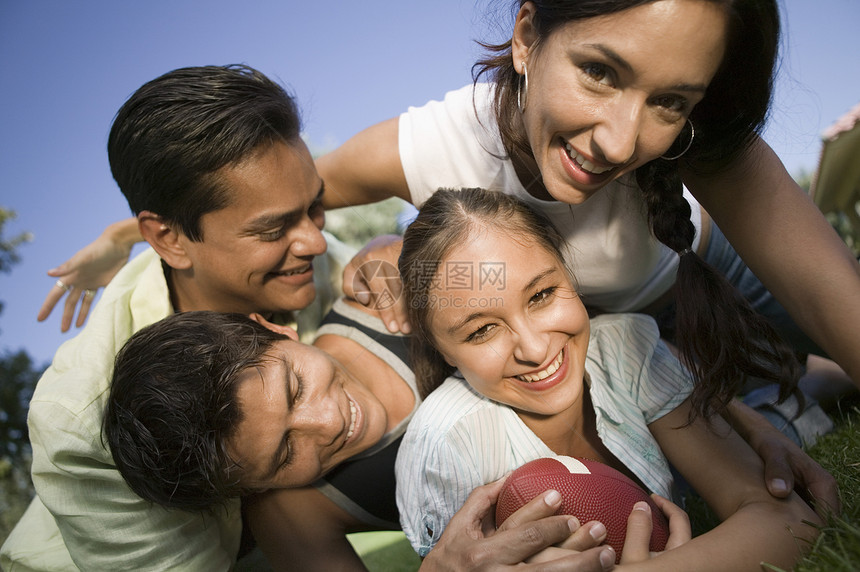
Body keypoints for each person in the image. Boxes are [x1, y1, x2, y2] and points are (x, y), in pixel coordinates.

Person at [37, 0, 851, 508]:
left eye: (669, 101)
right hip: (628, 338)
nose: (621, 139)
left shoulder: (702, 146)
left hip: (709, 274)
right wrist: (131, 236)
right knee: (804, 397)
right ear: (527, 34)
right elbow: (277, 196)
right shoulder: (429, 148)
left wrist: (395, 244)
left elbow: (829, 300)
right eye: (600, 72)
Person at [2, 65, 594, 572]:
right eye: (273, 228)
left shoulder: (299, 269)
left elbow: (395, 268)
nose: (315, 241)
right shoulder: (82, 424)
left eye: (314, 207)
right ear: (170, 238)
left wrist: (390, 245)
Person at [395, 187, 821, 570]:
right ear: (442, 351)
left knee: (786, 423)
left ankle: (823, 377)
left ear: (569, 273)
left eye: (541, 295)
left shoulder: (623, 347)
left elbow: (786, 517)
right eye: (481, 330)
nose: (535, 349)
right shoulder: (445, 448)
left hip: (681, 446)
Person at [103, 307, 618, 571]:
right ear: (249, 488)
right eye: (284, 454)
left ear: (276, 330)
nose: (327, 422)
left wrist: (401, 250)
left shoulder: (379, 301)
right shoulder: (293, 515)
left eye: (295, 386)